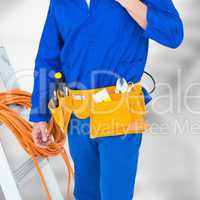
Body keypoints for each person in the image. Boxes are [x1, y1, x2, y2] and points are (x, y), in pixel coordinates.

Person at [30, 0, 184, 199]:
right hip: (78, 115)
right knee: (86, 194)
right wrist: (40, 114)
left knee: (115, 195)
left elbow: (173, 34)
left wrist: (129, 3)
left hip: (119, 112)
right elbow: (48, 58)